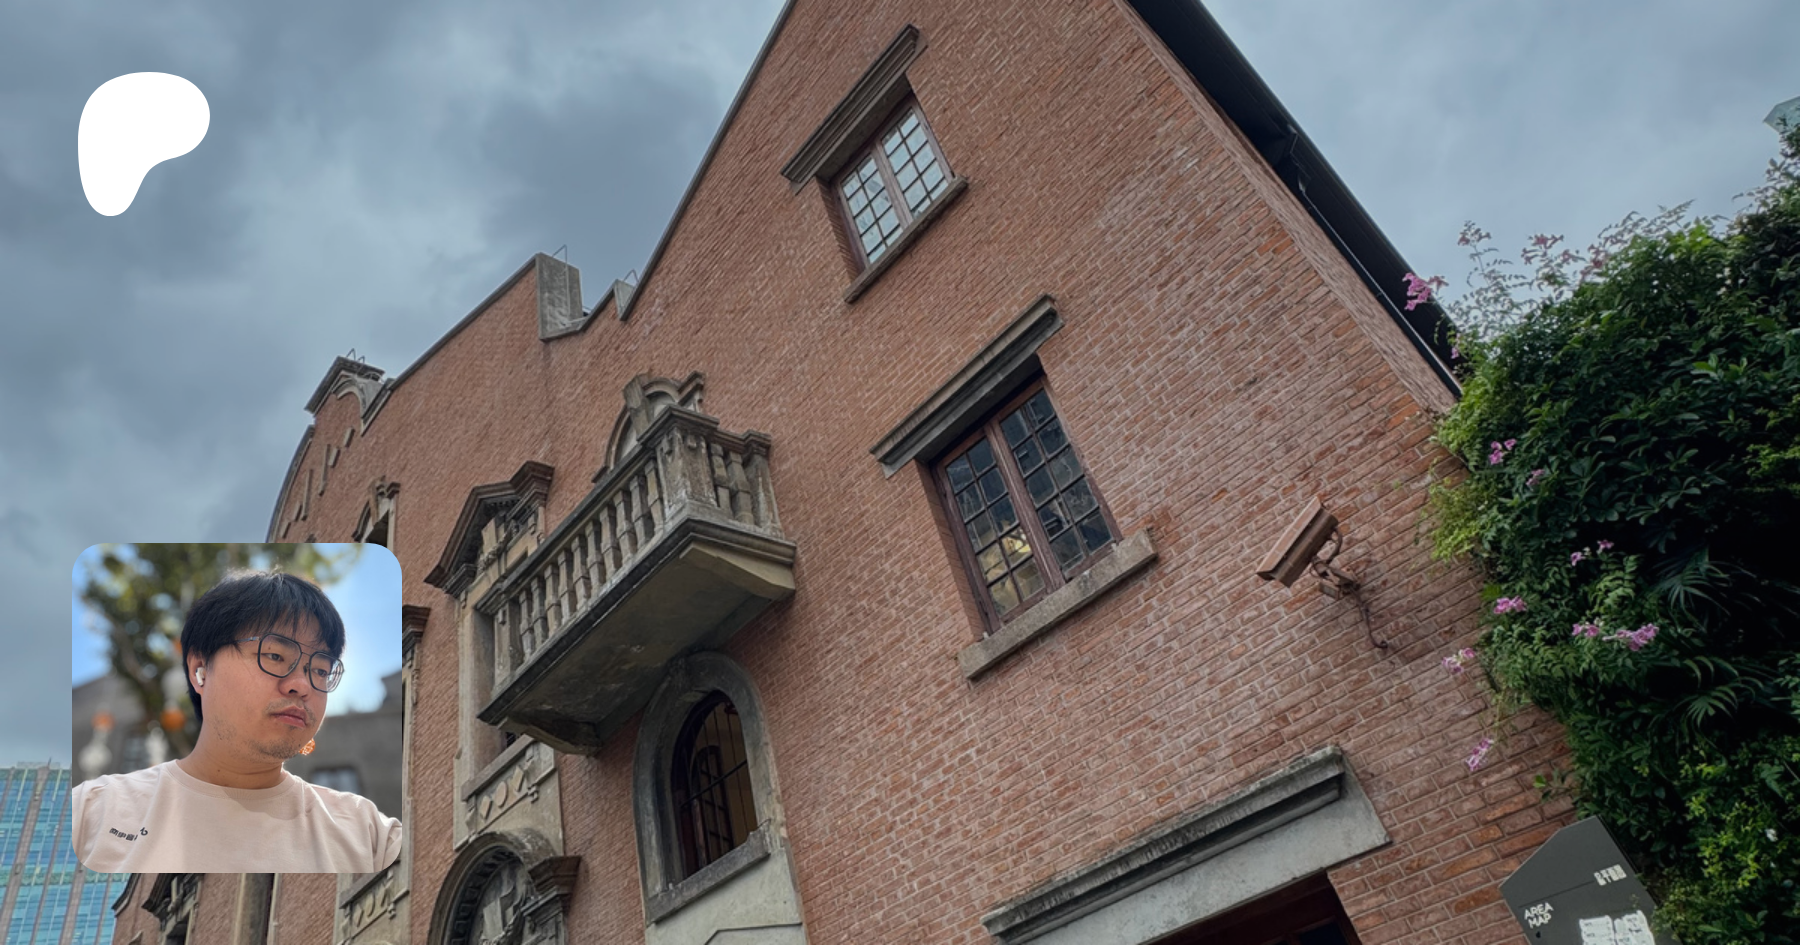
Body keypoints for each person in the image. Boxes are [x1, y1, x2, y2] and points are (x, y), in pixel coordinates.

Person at [71, 569, 402, 872]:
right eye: (275, 656)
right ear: (200, 669)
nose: (302, 685)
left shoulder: (367, 834)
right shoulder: (90, 812)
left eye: (320, 670)